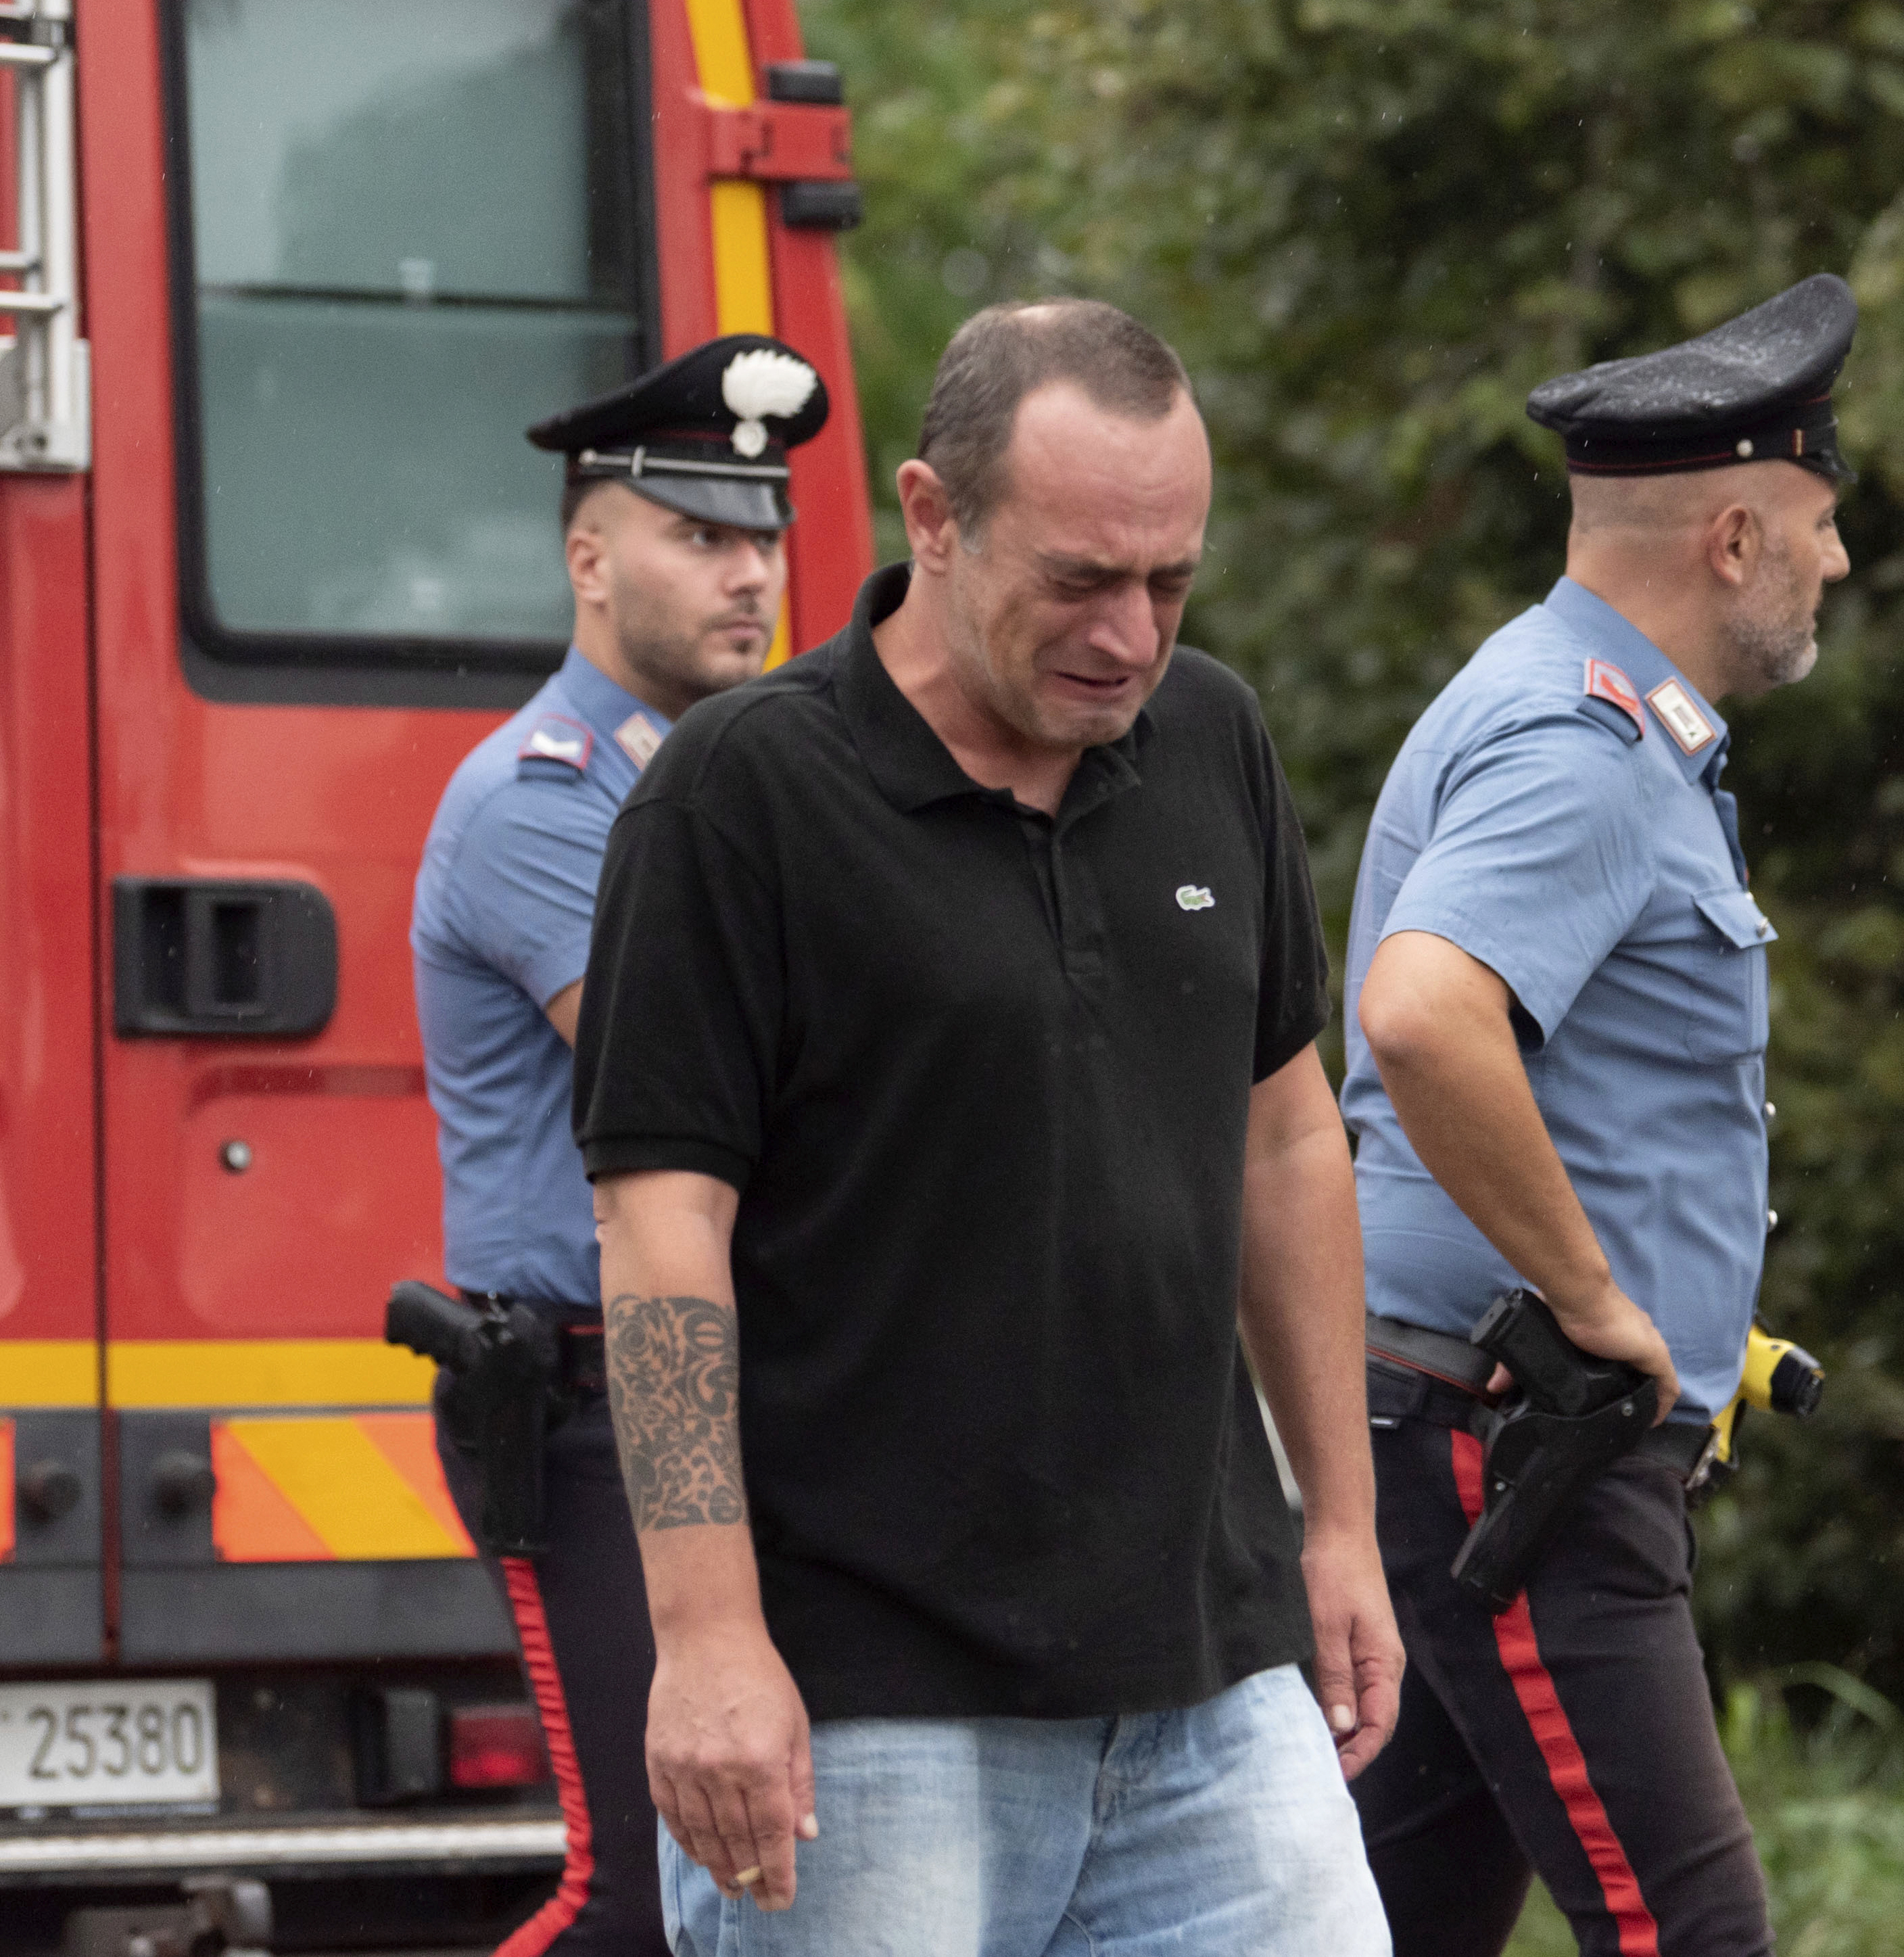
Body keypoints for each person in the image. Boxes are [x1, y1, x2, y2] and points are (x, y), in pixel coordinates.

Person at [572, 299, 1397, 1956]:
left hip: (1210, 1690)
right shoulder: (738, 798)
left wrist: (1341, 1522)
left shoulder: (1212, 740)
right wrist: (708, 1637)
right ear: (930, 518)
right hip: (865, 1717)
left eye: (1169, 580)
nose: (1130, 632)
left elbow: (1287, 1142)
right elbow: (661, 1239)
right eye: (1079, 578)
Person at [1341, 274, 1856, 1957]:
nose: (1833, 562)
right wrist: (1591, 1296)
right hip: (1524, 1450)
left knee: (1397, 1928)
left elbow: (1582, 1081)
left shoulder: (1588, 715)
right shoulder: (1582, 735)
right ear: (1727, 538)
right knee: (1691, 1931)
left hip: (1473, 1428)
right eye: (1813, 523)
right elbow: (1423, 1012)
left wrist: (1664, 1287)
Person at [410, 333, 830, 1957]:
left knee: (774, 1881)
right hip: (590, 1398)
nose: (750, 575)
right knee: (641, 1893)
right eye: (700, 536)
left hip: (732, 1383)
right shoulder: (542, 800)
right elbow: (733, 1090)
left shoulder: (740, 787)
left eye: (764, 536)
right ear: (589, 558)